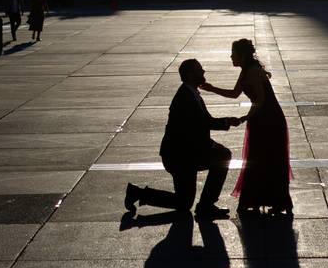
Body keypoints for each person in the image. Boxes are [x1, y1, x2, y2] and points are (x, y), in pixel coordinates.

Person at [123, 58, 244, 220]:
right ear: (189, 74)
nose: (203, 72)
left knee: (183, 202)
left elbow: (202, 124)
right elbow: (203, 124)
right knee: (222, 156)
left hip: (185, 154)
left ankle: (137, 193)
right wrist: (227, 122)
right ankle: (206, 206)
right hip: (180, 157)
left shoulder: (191, 93)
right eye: (199, 70)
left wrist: (226, 123)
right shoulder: (186, 97)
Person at [202, 37, 292, 215]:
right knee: (259, 158)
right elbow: (235, 94)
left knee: (266, 158)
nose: (230, 56)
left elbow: (260, 100)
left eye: (233, 53)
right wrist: (212, 89)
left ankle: (272, 200)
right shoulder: (245, 70)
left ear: (241, 55)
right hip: (260, 117)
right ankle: (263, 200)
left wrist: (245, 118)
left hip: (269, 119)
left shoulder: (252, 71)